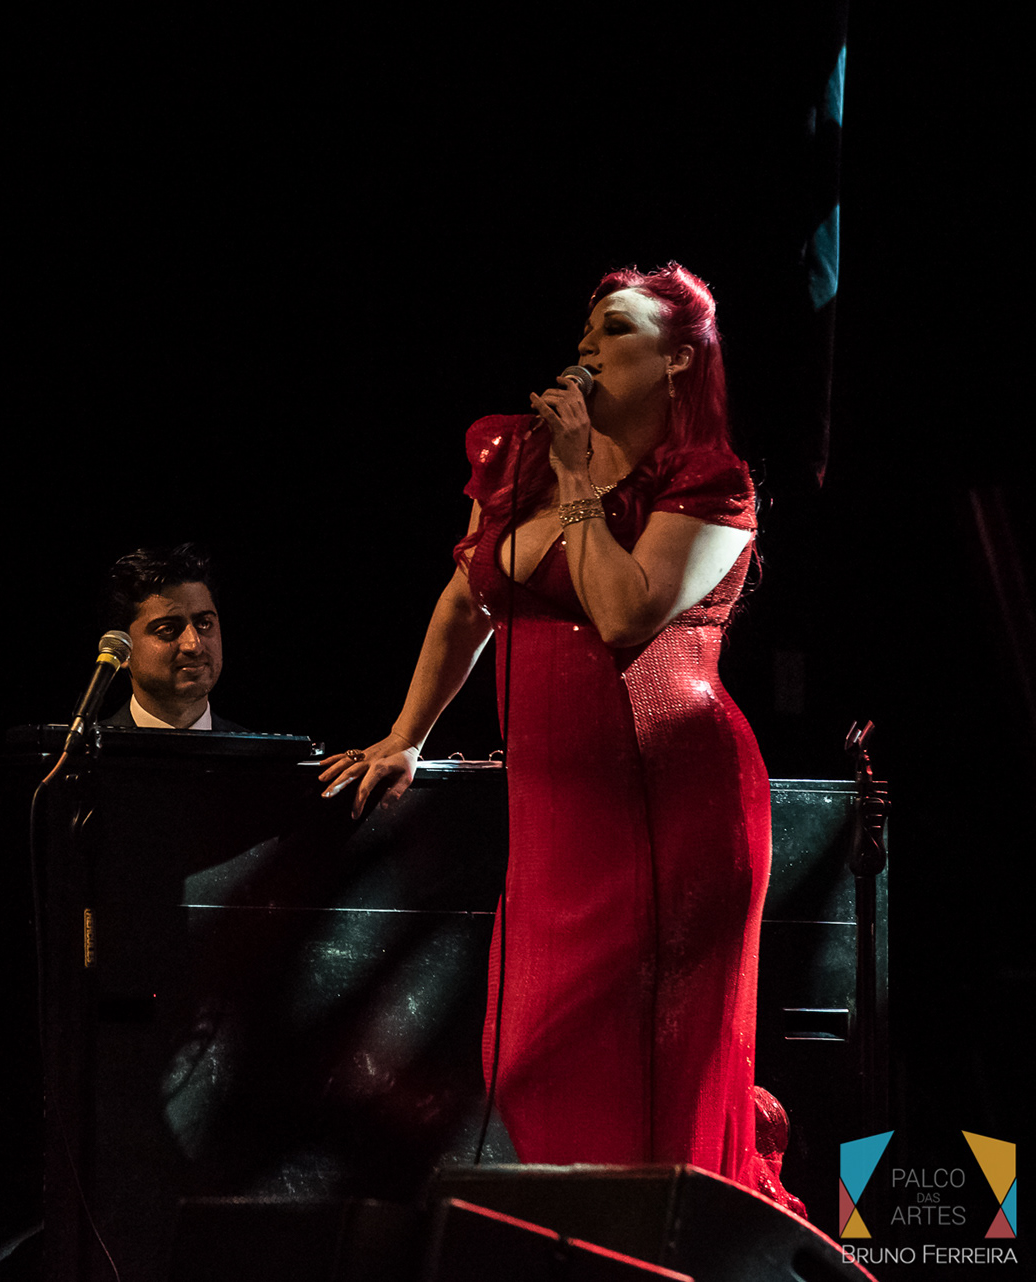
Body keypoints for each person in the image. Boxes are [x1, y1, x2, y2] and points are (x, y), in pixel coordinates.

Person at [315, 263, 801, 1212]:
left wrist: (580, 479)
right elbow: (466, 602)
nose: (587, 346)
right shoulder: (515, 455)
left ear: (678, 360)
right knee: (528, 1057)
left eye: (615, 329)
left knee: (649, 1070)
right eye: (585, 329)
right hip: (559, 818)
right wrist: (406, 734)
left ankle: (657, 1252)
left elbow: (623, 614)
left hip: (671, 810)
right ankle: (597, 1245)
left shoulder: (711, 483)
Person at [99, 544, 246, 731]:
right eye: (168, 629)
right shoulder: (81, 749)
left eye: (204, 624)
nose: (194, 645)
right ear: (123, 650)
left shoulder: (257, 749)